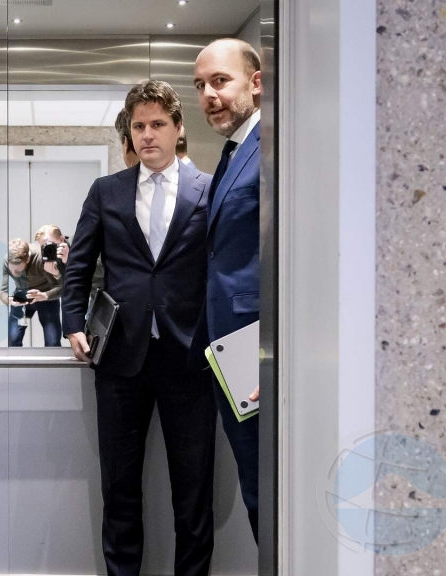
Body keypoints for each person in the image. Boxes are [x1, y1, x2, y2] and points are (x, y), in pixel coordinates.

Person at [62, 80, 217, 576]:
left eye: (158, 124)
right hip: (120, 360)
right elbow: (78, 266)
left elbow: (223, 268)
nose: (147, 135)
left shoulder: (208, 188)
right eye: (139, 126)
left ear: (178, 128)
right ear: (129, 133)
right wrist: (72, 323)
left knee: (193, 492)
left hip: (190, 359)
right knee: (120, 489)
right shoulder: (106, 190)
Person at [191, 37, 263, 542]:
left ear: (256, 83)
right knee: (258, 487)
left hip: (257, 359)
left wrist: (276, 358)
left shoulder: (275, 147)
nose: (208, 95)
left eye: (220, 81)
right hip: (231, 354)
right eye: (200, 85)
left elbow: (304, 261)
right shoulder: (234, 149)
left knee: (269, 492)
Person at [0, 238, 62, 347]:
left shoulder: (41, 258)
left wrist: (45, 295)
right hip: (22, 296)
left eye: (18, 270)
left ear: (28, 259)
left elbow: (61, 287)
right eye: (11, 270)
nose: (14, 273)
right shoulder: (7, 259)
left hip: (46, 296)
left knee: (52, 342)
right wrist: (9, 300)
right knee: (13, 340)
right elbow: (3, 292)